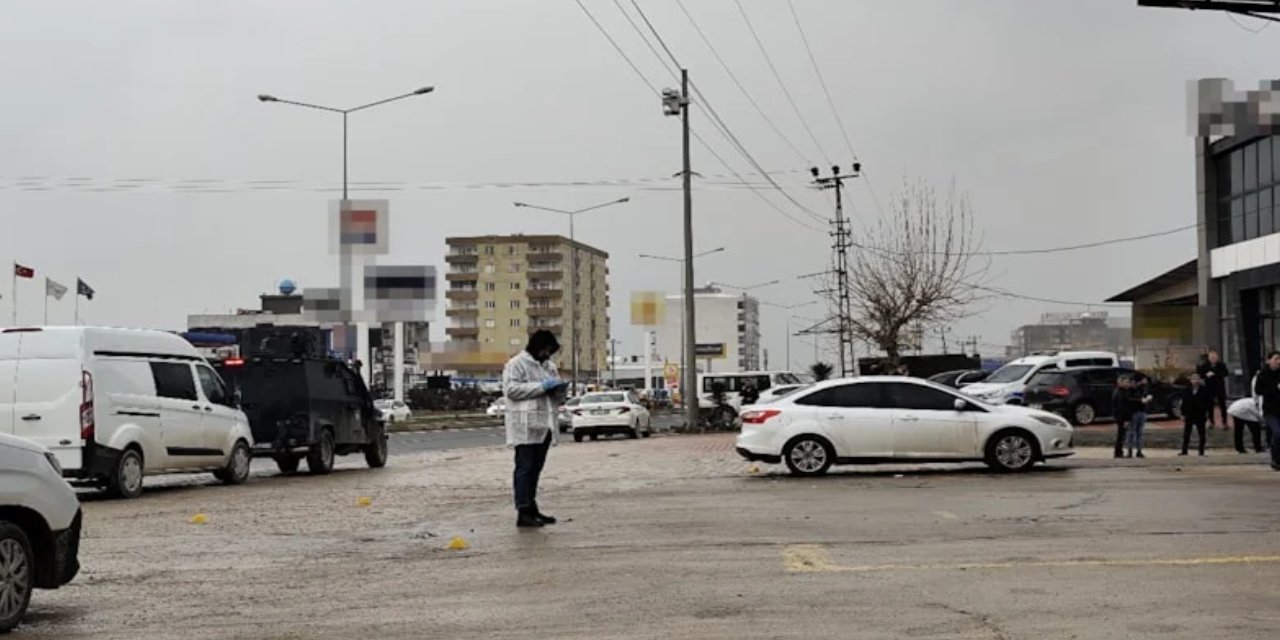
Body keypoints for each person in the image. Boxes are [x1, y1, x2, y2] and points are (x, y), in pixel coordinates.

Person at [503, 330, 569, 528]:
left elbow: (554, 397)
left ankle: (532, 507)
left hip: (544, 425)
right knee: (524, 469)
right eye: (546, 350)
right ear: (536, 346)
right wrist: (542, 386)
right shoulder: (516, 364)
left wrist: (559, 391)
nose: (547, 355)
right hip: (524, 425)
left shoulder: (549, 367)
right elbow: (511, 390)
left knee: (536, 470)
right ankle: (523, 510)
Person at [1253, 351, 1280, 471]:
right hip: (1270, 410)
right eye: (1276, 359)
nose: (1278, 362)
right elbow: (1258, 390)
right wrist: (1275, 388)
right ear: (1269, 360)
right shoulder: (1263, 374)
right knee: (1277, 433)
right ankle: (1275, 459)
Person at [1227, 379, 1267, 454]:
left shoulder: (1258, 402)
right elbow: (1261, 417)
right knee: (1255, 430)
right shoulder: (1261, 406)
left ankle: (1239, 448)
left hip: (1237, 408)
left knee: (1239, 430)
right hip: (1243, 410)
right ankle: (1257, 447)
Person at [1196, 349, 1229, 429]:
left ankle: (1225, 422)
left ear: (1217, 357)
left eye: (1214, 357)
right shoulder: (1205, 365)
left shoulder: (1221, 364)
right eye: (1211, 357)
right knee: (1209, 405)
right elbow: (1200, 374)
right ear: (1209, 358)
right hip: (1209, 387)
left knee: (1222, 404)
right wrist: (1206, 375)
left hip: (1219, 387)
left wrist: (1215, 374)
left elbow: (1226, 373)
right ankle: (1211, 422)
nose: (1213, 359)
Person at [1179, 374, 1209, 456]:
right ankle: (1184, 450)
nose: (1195, 381)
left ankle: (1201, 451)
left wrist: (1207, 413)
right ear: (1190, 380)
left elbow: (1208, 402)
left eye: (1197, 379)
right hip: (1189, 414)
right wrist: (1182, 414)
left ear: (1199, 380)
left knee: (1202, 433)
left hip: (1200, 414)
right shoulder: (1187, 390)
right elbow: (1183, 402)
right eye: (1193, 379)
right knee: (1186, 433)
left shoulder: (1204, 390)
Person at [1126, 375, 1152, 458]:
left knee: (1140, 432)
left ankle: (1139, 450)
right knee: (1131, 432)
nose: (1145, 382)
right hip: (1134, 412)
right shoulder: (1130, 389)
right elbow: (1129, 400)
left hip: (1142, 411)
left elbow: (1145, 396)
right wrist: (1140, 400)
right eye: (1144, 380)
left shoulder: (1143, 388)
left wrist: (1148, 399)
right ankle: (1130, 450)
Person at [1111, 376, 1132, 459]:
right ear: (1120, 382)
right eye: (1126, 382)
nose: (1128, 384)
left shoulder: (1124, 392)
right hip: (1122, 418)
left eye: (1128, 382)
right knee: (1121, 435)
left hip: (1121, 418)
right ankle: (1118, 452)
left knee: (1121, 435)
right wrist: (1126, 420)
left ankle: (1119, 452)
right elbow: (1122, 408)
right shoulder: (1120, 393)